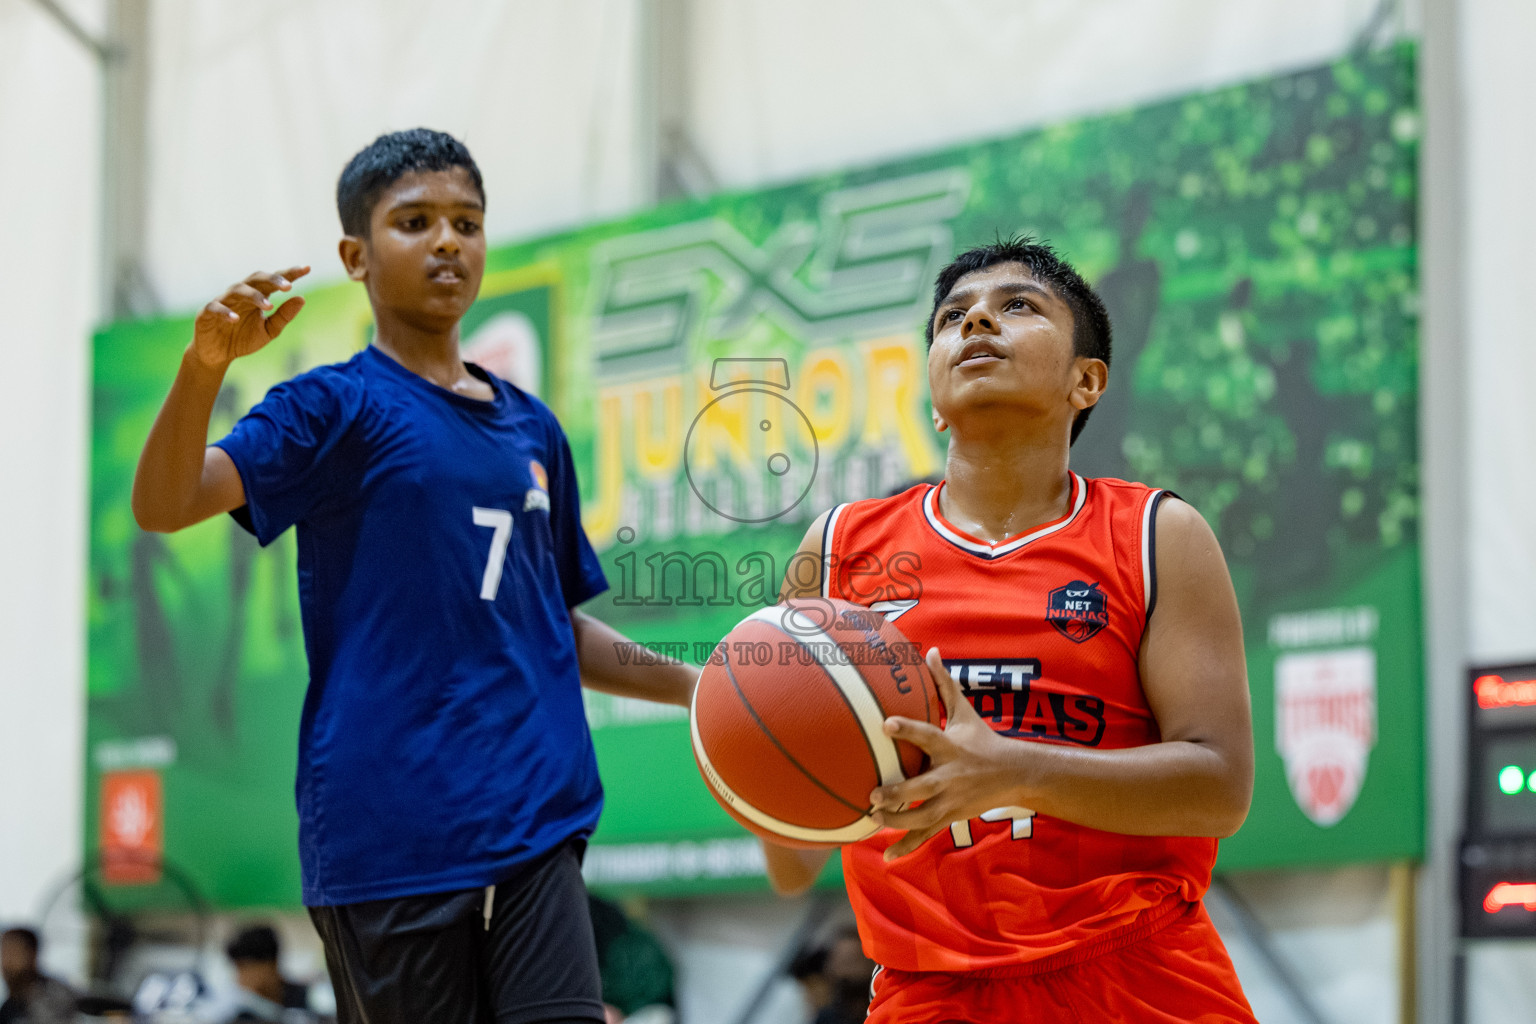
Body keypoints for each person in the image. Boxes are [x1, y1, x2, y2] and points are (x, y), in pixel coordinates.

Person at [132, 128, 697, 1024]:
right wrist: (205, 368)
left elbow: (551, 625)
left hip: (538, 813)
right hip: (391, 828)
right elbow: (165, 505)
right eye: (415, 221)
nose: (447, 242)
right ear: (356, 256)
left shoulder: (533, 429)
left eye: (467, 222)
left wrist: (707, 690)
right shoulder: (333, 406)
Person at [762, 238, 1258, 1022]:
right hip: (930, 991)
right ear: (932, 389)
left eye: (1017, 306)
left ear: (1085, 381)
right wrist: (757, 761)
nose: (978, 321)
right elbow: (794, 862)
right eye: (953, 317)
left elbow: (1220, 788)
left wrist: (1012, 770)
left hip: (1138, 978)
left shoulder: (1157, 535)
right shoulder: (837, 549)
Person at [223, 925, 316, 1022]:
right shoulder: (243, 1015)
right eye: (237, 968)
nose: (240, 977)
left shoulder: (311, 1001)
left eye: (244, 967)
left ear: (271, 963)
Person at [0, 928, 75, 1024]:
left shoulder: (54, 997)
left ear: (32, 954)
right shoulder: (10, 1007)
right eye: (4, 953)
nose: (7, 962)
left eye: (13, 952)